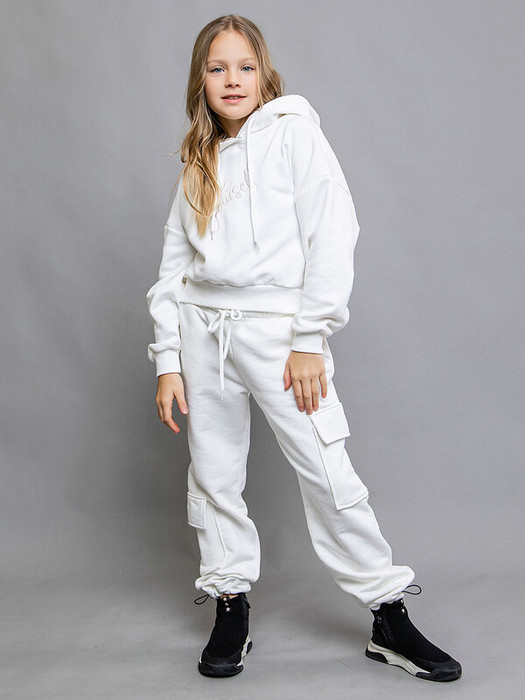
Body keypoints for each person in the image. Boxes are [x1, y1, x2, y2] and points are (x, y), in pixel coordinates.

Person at [145, 14, 462, 683]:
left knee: (326, 471)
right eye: (217, 68)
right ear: (200, 80)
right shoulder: (198, 158)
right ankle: (230, 603)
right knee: (214, 475)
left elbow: (332, 232)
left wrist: (310, 337)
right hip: (203, 335)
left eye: (245, 66)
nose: (232, 80)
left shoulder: (294, 133)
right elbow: (173, 267)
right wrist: (168, 359)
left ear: (265, 74)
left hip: (278, 335)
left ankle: (387, 614)